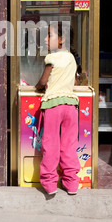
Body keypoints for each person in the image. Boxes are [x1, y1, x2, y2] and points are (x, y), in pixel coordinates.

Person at [35, 21, 80, 196]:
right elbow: (74, 81)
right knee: (69, 144)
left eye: (49, 35)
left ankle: (50, 183)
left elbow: (43, 82)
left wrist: (37, 87)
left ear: (61, 40)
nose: (45, 39)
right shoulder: (71, 58)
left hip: (53, 105)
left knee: (50, 144)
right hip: (71, 106)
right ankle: (71, 183)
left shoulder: (51, 58)